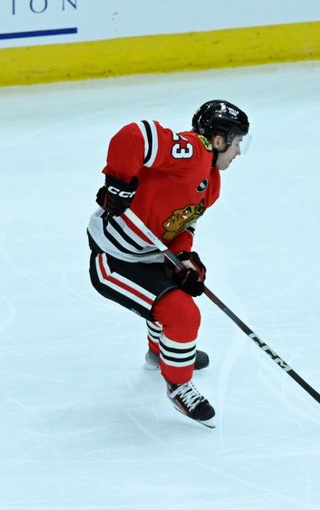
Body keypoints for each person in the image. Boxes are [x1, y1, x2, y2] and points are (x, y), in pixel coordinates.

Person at [87, 100, 251, 427]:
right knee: (182, 313)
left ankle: (159, 352)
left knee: (176, 288)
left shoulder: (211, 183)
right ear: (218, 140)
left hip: (148, 253)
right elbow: (133, 136)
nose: (238, 152)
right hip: (115, 258)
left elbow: (182, 225)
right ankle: (179, 386)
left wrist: (185, 259)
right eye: (236, 143)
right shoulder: (192, 152)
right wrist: (118, 182)